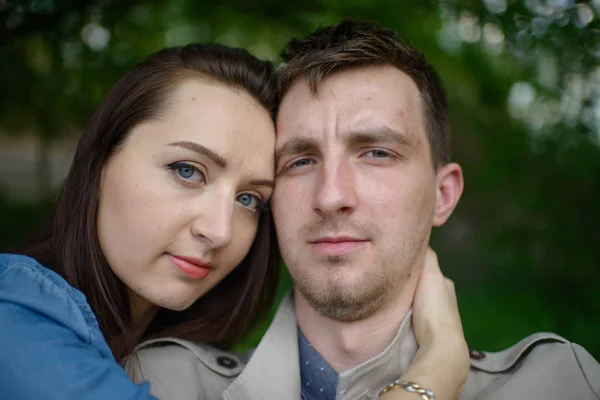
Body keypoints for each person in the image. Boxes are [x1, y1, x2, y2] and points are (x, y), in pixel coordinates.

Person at [134, 20, 600, 400]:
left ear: (444, 194)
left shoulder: (561, 384)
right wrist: (433, 372)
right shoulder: (159, 384)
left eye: (376, 152)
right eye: (300, 160)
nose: (331, 195)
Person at [0, 43, 281, 399]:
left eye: (248, 199)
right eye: (187, 171)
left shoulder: (184, 362)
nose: (219, 232)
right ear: (102, 160)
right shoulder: (11, 311)